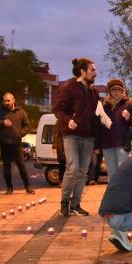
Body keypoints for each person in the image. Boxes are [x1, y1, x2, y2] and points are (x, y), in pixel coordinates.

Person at [53, 58, 103, 217]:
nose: (95, 73)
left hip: (88, 137)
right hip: (72, 135)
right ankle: (64, 202)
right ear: (83, 71)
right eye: (92, 70)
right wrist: (69, 121)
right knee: (73, 168)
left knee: (82, 172)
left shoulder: (94, 92)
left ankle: (75, 204)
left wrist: (97, 140)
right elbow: (58, 110)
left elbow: (96, 116)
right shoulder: (69, 87)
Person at [0, 93, 35, 195]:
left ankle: (28, 187)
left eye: (8, 101)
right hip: (4, 143)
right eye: (5, 101)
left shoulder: (21, 112)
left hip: (16, 143)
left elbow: (27, 126)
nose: (6, 103)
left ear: (13, 100)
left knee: (21, 165)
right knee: (6, 166)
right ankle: (9, 188)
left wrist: (19, 134)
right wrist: (2, 123)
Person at [103, 78, 132, 180]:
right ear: (110, 92)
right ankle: (113, 195)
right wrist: (97, 145)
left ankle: (123, 195)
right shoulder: (105, 106)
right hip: (107, 144)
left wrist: (130, 118)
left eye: (118, 90)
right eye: (113, 90)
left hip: (123, 144)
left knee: (122, 172)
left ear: (122, 91)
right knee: (111, 174)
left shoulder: (129, 104)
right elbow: (100, 127)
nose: (116, 92)